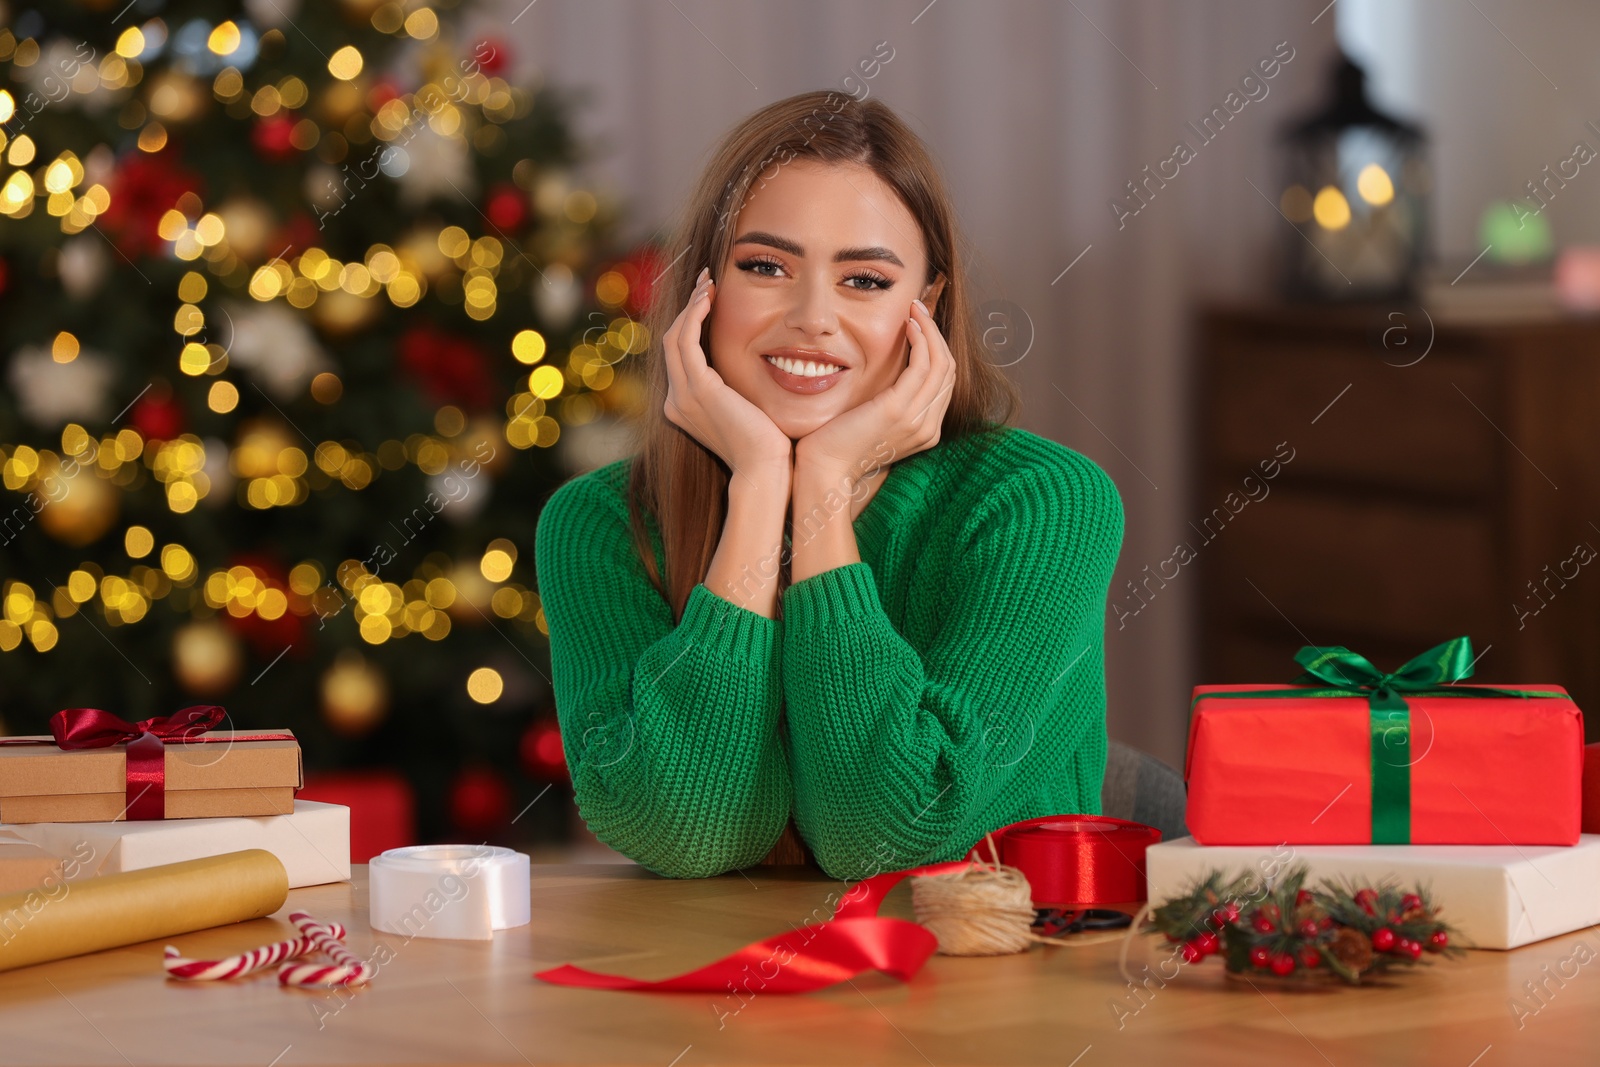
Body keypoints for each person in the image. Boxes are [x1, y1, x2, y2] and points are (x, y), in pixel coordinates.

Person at [533, 89, 1124, 881]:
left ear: (928, 307)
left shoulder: (1043, 504)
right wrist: (759, 486)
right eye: (766, 266)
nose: (814, 317)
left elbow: (884, 834)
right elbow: (684, 832)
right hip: (695, 982)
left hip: (998, 984)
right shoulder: (599, 522)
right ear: (704, 287)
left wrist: (823, 489)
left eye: (866, 281)